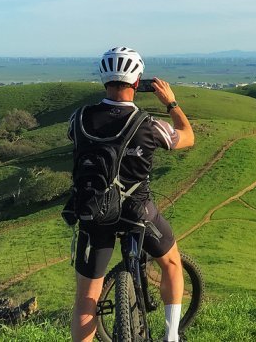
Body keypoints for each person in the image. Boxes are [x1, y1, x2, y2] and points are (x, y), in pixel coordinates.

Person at [66, 46, 194, 342]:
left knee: (86, 300)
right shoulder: (149, 125)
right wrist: (171, 103)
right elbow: (188, 136)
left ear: (104, 80)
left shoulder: (79, 119)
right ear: (137, 82)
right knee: (172, 264)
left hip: (94, 211)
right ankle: (171, 336)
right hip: (137, 212)